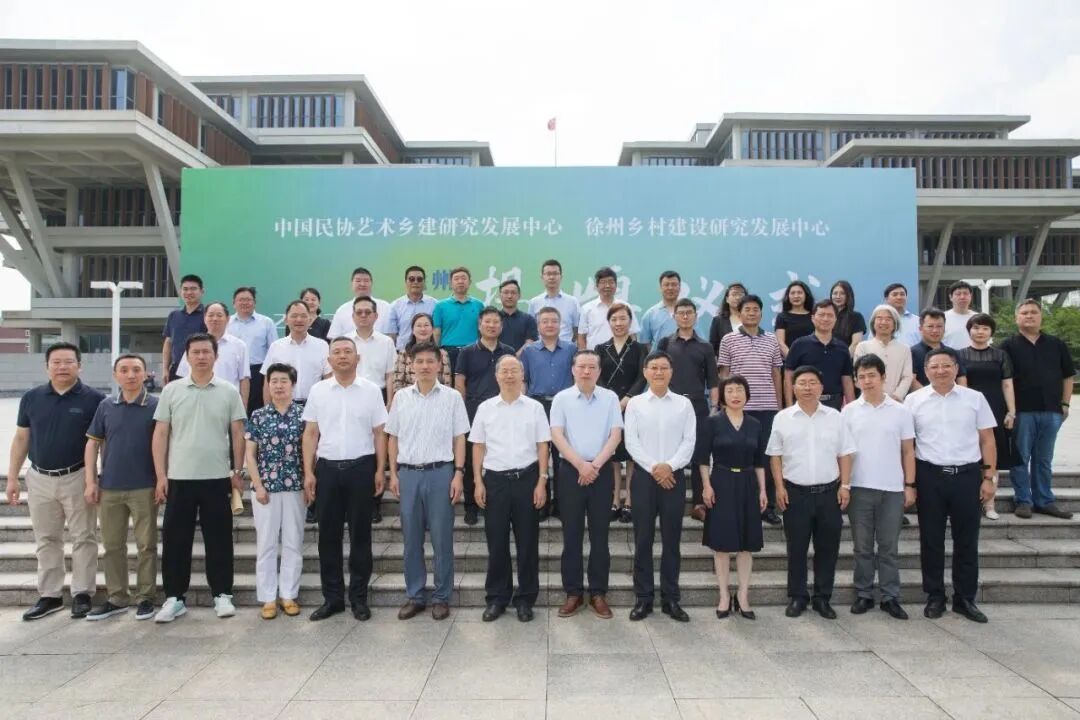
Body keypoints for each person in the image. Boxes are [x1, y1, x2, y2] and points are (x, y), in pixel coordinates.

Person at [151, 333, 247, 623]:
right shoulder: (172, 390)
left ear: (216, 356)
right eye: (196, 352)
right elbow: (161, 434)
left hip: (217, 477)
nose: (202, 357)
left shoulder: (229, 391)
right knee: (175, 540)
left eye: (207, 352)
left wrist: (237, 471)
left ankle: (222, 594)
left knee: (219, 539)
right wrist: (161, 475)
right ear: (187, 356)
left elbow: (237, 433)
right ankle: (174, 598)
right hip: (179, 477)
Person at [8, 342, 105, 621]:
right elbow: (22, 438)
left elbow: (101, 443)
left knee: (84, 537)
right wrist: (13, 477)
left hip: (78, 476)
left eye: (69, 362)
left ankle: (82, 593)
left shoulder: (95, 399)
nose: (62, 367)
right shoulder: (32, 398)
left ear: (79, 366)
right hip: (39, 478)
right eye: (56, 362)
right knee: (47, 538)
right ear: (47, 366)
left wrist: (95, 480)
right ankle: (50, 595)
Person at [905, 347, 997, 623]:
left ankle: (964, 598)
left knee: (966, 540)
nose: (941, 371)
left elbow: (987, 440)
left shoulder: (974, 398)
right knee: (931, 540)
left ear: (956, 368)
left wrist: (989, 478)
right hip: (929, 476)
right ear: (926, 371)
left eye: (946, 366)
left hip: (967, 476)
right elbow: (907, 445)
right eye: (934, 367)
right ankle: (935, 596)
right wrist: (910, 483)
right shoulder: (913, 400)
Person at [302, 338, 388, 622]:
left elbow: (380, 433)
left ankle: (359, 599)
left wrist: (380, 470)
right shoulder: (318, 390)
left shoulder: (371, 390)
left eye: (347, 352)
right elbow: (311, 433)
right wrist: (308, 472)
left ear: (357, 357)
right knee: (328, 537)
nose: (342, 356)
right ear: (329, 360)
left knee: (361, 536)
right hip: (327, 469)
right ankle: (333, 598)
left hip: (361, 468)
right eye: (336, 352)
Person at [386, 341, 469, 622]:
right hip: (409, 474)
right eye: (419, 361)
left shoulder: (452, 397)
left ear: (439, 365)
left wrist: (459, 472)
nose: (424, 366)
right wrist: (394, 473)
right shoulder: (401, 397)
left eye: (429, 361)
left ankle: (442, 597)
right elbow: (393, 437)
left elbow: (460, 437)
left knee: (442, 539)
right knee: (411, 540)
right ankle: (415, 595)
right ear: (411, 365)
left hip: (440, 472)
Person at [768, 365, 855, 620]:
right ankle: (797, 596)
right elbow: (775, 456)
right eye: (802, 383)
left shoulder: (835, 417)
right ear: (793, 387)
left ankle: (822, 598)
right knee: (796, 548)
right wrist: (779, 487)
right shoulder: (782, 417)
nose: (807, 387)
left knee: (828, 548)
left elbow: (845, 453)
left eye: (812, 382)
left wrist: (845, 486)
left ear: (821, 387)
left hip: (829, 493)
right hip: (795, 493)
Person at [470, 355, 551, 623]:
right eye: (504, 371)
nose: (509, 375)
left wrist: (542, 480)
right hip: (495, 481)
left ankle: (525, 599)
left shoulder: (534, 408)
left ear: (522, 374)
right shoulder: (485, 408)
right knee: (497, 543)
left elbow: (543, 445)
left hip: (527, 479)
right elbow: (478, 446)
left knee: (527, 543)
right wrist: (478, 481)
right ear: (496, 376)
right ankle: (497, 598)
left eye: (514, 370)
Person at [83, 354, 158, 621]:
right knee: (113, 545)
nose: (130, 375)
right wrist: (91, 481)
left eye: (136, 370)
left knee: (147, 545)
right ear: (115, 375)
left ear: (145, 374)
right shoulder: (106, 405)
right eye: (124, 370)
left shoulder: (156, 405)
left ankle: (146, 597)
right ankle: (117, 598)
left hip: (145, 486)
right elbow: (92, 443)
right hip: (110, 487)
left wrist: (162, 479)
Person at [550, 349, 623, 619]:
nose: (586, 371)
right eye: (581, 366)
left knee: (600, 536)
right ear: (573, 369)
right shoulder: (561, 398)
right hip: (571, 472)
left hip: (600, 471)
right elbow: (557, 435)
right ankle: (573, 592)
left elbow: (615, 436)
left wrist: (594, 466)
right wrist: (580, 465)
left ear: (599, 371)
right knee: (571, 535)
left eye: (592, 367)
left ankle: (598, 593)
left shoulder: (610, 398)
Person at [842, 354, 916, 620]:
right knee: (862, 547)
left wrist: (909, 485)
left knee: (888, 547)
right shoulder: (849, 411)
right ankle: (863, 593)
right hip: (859, 487)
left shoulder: (900, 410)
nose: (867, 381)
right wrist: (844, 484)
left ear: (883, 377)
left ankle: (890, 596)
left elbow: (908, 451)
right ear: (856, 380)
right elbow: (844, 452)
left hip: (892, 489)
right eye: (861, 376)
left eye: (872, 375)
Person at [624, 351, 697, 622]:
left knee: (672, 541)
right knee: (643, 540)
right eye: (653, 367)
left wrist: (670, 466)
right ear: (645, 372)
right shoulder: (635, 404)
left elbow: (689, 441)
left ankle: (671, 599)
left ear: (671, 372)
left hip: (673, 478)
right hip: (644, 478)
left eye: (663, 367)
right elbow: (631, 442)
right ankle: (643, 598)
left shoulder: (683, 404)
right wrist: (655, 467)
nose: (658, 372)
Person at [699, 376, 767, 620]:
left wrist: (763, 490)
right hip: (721, 481)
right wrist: (706, 486)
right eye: (730, 390)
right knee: (721, 544)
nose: (735, 395)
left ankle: (743, 595)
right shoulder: (712, 422)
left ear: (747, 395)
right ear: (722, 396)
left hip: (748, 482)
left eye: (740, 390)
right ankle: (724, 596)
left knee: (746, 545)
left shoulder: (755, 424)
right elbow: (702, 459)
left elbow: (760, 461)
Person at [1002, 299, 1076, 520]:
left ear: (1041, 316)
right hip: (1022, 411)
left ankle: (1044, 500)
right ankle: (1023, 500)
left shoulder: (1056, 344)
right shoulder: (1007, 346)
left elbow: (1068, 376)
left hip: (1051, 410)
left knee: (1044, 458)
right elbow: (1004, 381)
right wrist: (1009, 411)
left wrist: (1065, 404)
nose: (1029, 316)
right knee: (1020, 458)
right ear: (1017, 317)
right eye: (1024, 313)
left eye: (1033, 312)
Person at [244, 362, 306, 620]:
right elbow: (250, 454)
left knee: (293, 542)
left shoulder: (304, 414)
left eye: (284, 381)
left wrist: (310, 482)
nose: (279, 386)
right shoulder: (258, 416)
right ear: (268, 385)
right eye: (274, 381)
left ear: (293, 384)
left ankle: (288, 594)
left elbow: (309, 451)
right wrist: (258, 485)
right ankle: (268, 597)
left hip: (295, 487)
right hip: (265, 490)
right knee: (267, 544)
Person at [717, 294, 784, 526]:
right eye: (747, 309)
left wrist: (779, 405)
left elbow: (776, 373)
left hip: (767, 407)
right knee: (739, 456)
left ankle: (768, 506)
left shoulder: (771, 340)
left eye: (756, 309)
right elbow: (724, 374)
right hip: (738, 408)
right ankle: (742, 504)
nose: (752, 313)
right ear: (739, 313)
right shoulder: (728, 339)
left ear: (761, 313)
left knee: (767, 456)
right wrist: (723, 404)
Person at [657, 298, 719, 522]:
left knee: (699, 453)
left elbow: (713, 380)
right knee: (669, 450)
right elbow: (657, 373)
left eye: (689, 312)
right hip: (669, 404)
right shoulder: (665, 343)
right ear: (674, 316)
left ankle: (699, 504)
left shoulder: (705, 346)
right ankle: (665, 500)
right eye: (681, 312)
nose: (685, 316)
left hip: (697, 405)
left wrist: (714, 408)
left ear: (695, 316)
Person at [455, 307, 516, 526]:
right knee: (473, 459)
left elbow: (514, 380)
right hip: (474, 409)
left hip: (503, 410)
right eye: (487, 322)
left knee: (500, 455)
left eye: (496, 322)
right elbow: (460, 383)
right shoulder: (467, 352)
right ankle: (471, 506)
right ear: (480, 325)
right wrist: (463, 410)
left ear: (501, 326)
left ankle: (500, 504)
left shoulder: (508, 351)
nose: (491, 326)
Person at [958, 313, 1015, 520]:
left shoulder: (1000, 355)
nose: (980, 332)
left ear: (991, 332)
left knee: (993, 457)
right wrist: (966, 412)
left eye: (984, 328)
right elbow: (962, 385)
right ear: (969, 330)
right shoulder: (960, 355)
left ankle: (990, 504)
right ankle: (970, 502)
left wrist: (1011, 411)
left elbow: (1007, 384)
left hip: (996, 408)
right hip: (970, 410)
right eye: (976, 327)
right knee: (971, 457)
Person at [596, 303, 649, 524]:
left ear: (630, 321)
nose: (618, 323)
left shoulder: (640, 348)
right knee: (613, 456)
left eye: (623, 319)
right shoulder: (600, 348)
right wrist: (611, 400)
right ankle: (615, 499)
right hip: (609, 408)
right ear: (609, 322)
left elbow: (643, 376)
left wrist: (628, 398)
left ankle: (630, 501)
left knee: (631, 455)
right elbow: (597, 376)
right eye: (614, 319)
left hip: (633, 406)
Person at [522, 306, 575, 518]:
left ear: (560, 324)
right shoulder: (529, 351)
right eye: (545, 321)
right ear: (538, 325)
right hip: (538, 405)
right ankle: (541, 502)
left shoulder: (571, 349)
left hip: (565, 407)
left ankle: (562, 504)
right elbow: (524, 381)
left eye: (554, 321)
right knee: (539, 454)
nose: (550, 325)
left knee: (562, 456)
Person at [176, 301, 251, 407]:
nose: (215, 319)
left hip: (228, 403)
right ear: (204, 319)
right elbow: (183, 376)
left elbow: (244, 378)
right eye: (211, 315)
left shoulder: (239, 346)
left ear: (227, 319)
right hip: (196, 402)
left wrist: (243, 406)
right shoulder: (194, 344)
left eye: (219, 315)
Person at [784, 300, 854, 410]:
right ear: (813, 318)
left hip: (834, 404)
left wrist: (851, 409)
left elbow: (847, 381)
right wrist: (789, 407)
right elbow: (788, 377)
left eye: (830, 315)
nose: (825, 319)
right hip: (805, 401)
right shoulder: (799, 344)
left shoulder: (842, 348)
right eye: (821, 315)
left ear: (835, 319)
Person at [260, 300, 331, 403]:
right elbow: (268, 382)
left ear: (310, 320)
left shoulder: (322, 346)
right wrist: (268, 408)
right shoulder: (276, 346)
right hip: (283, 406)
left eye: (303, 316)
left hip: (314, 405)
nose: (299, 319)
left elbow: (328, 379)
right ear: (286, 320)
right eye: (294, 316)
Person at [228, 286, 278, 412]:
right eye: (241, 300)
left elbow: (274, 351)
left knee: (256, 410)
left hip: (257, 372)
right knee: (232, 407)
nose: (244, 303)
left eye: (248, 300)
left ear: (254, 303)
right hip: (232, 371)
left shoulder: (266, 322)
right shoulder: (226, 322)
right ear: (234, 303)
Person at [853, 304, 914, 401]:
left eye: (888, 319)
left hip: (896, 402)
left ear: (895, 324)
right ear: (873, 323)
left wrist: (897, 396)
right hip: (868, 400)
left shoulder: (904, 349)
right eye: (879, 318)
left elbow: (907, 376)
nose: (883, 322)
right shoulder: (863, 347)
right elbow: (857, 375)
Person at [433, 266, 485, 376]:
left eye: (463, 278)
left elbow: (483, 331)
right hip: (448, 352)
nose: (460, 281)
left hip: (473, 351)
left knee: (473, 382)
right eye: (456, 279)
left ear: (469, 282)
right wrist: (436, 353)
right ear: (450, 283)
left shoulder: (479, 305)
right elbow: (437, 332)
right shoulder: (440, 306)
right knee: (449, 383)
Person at [578, 266, 639, 349]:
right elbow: (581, 337)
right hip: (595, 355)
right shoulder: (587, 309)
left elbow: (632, 334)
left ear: (616, 285)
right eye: (603, 282)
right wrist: (585, 355)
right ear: (596, 286)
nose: (607, 286)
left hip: (621, 355)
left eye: (611, 282)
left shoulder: (625, 307)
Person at [161, 273, 206, 383]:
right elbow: (168, 343)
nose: (189, 292)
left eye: (193, 289)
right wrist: (165, 369)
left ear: (202, 291)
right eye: (185, 289)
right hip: (176, 369)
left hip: (200, 368)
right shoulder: (174, 315)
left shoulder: (208, 315)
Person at [911, 308, 967, 390]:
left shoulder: (952, 352)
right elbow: (912, 380)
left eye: (939, 326)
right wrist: (929, 395)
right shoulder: (912, 352)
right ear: (920, 329)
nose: (935, 330)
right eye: (930, 326)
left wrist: (962, 395)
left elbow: (961, 378)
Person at [393, 313, 451, 391]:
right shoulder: (404, 354)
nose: (423, 329)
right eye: (419, 326)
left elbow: (447, 382)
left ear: (432, 330)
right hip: (409, 395)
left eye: (426, 325)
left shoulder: (442, 354)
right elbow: (397, 383)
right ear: (413, 330)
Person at [328, 266, 391, 337]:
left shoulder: (386, 307)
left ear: (372, 283)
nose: (362, 284)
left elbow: (392, 335)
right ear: (352, 283)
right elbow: (334, 338)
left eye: (366, 281)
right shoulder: (342, 310)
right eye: (358, 281)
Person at [528, 258, 580, 343]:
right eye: (548, 274)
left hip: (566, 348)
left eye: (555, 274)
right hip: (541, 348)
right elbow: (531, 330)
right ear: (542, 277)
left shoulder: (572, 301)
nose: (552, 277)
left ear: (561, 276)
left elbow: (576, 329)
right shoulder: (534, 302)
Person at [386, 265, 436, 351]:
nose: (415, 282)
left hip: (428, 353)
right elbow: (392, 335)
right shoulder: (395, 306)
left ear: (424, 282)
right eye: (411, 279)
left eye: (419, 279)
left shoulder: (435, 304)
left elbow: (436, 331)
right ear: (406, 282)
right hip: (403, 353)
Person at [638, 270, 682, 349]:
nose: (670, 288)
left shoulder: (688, 313)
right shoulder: (650, 314)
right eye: (666, 285)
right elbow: (644, 344)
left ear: (680, 287)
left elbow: (699, 340)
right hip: (659, 356)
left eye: (674, 284)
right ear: (660, 288)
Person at [774, 280, 815, 357]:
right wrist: (792, 359)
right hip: (789, 360)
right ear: (788, 296)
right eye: (792, 293)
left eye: (799, 293)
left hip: (811, 359)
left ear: (806, 295)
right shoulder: (782, 317)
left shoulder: (814, 316)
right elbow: (780, 343)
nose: (796, 296)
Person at [497, 278, 538, 352]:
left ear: (519, 295)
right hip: (497, 358)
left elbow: (530, 343)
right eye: (506, 292)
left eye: (513, 293)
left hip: (521, 359)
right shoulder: (494, 319)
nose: (509, 296)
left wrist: (514, 357)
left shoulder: (528, 319)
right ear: (500, 295)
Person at [708, 281, 747, 357]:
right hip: (726, 362)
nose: (737, 297)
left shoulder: (751, 318)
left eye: (740, 294)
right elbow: (713, 347)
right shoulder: (718, 321)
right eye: (734, 294)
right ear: (727, 299)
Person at [831, 280, 866, 353]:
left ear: (848, 296)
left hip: (846, 357)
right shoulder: (826, 315)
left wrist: (844, 358)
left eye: (842, 293)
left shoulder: (856, 317)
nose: (838, 296)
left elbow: (855, 344)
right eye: (835, 293)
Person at [943, 280, 977, 350]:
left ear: (970, 296)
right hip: (948, 356)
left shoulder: (978, 318)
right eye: (958, 294)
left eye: (965, 293)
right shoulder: (942, 318)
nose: (962, 297)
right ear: (950, 297)